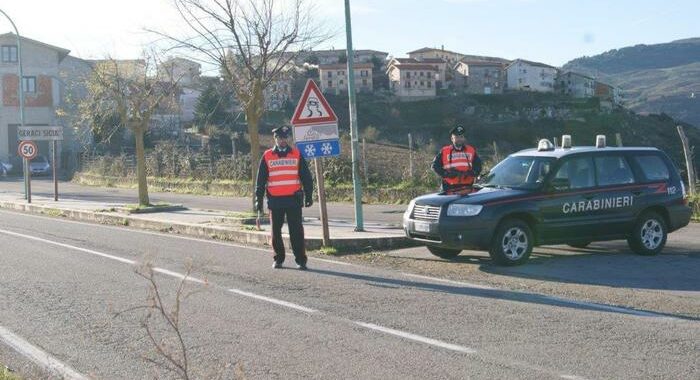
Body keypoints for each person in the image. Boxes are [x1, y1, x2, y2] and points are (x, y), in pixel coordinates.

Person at [255, 126, 314, 270]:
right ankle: (278, 259)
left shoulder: (296, 154)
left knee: (297, 232)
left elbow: (306, 177)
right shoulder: (267, 156)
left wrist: (309, 195)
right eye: (279, 138)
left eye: (285, 137)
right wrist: (258, 200)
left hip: (293, 200)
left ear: (288, 138)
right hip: (275, 200)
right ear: (275, 138)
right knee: (276, 232)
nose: (282, 140)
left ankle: (301, 260)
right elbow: (260, 181)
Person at [431, 125, 482, 191]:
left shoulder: (471, 150)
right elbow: (434, 166)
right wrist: (445, 174)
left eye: (461, 137)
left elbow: (478, 165)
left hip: (467, 187)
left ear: (464, 138)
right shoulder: (444, 151)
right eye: (456, 137)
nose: (459, 139)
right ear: (452, 139)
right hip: (449, 187)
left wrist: (473, 172)